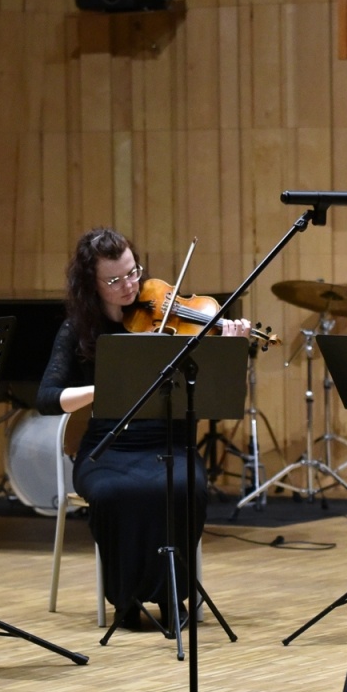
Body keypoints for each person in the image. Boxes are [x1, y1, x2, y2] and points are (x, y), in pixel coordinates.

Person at [36, 228, 249, 632]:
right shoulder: (79, 331)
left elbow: (214, 391)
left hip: (171, 442)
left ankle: (172, 596)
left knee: (185, 487)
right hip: (108, 448)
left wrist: (230, 349)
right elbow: (47, 397)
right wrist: (105, 388)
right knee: (114, 493)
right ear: (91, 285)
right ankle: (126, 598)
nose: (130, 286)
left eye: (133, 272)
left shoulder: (172, 321)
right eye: (114, 280)